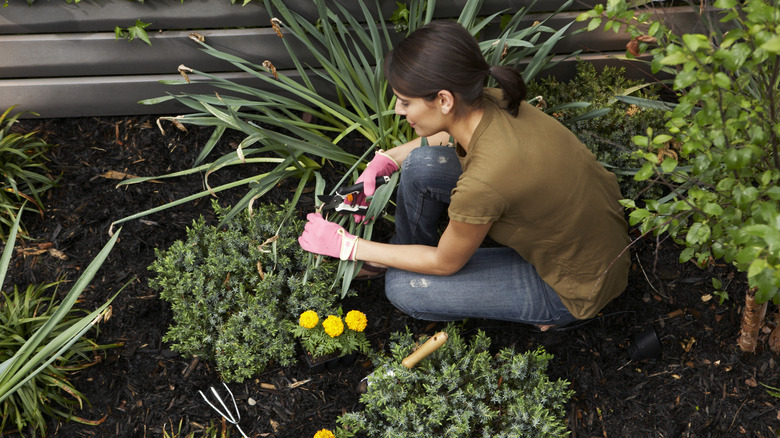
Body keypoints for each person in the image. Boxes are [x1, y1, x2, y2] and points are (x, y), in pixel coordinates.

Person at [298, 20, 631, 330]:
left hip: (574, 286)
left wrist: (350, 247)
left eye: (405, 102)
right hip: (595, 235)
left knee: (404, 287)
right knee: (420, 164)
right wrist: (388, 159)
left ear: (444, 99)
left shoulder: (484, 181)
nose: (399, 111)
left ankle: (555, 316)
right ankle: (405, 252)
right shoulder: (490, 100)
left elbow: (446, 264)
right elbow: (451, 134)